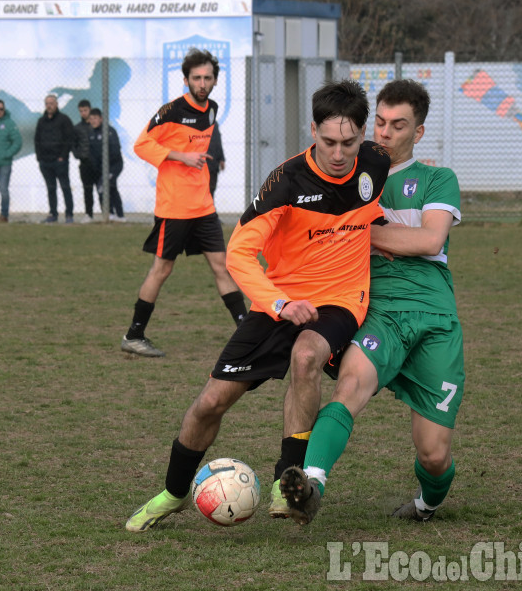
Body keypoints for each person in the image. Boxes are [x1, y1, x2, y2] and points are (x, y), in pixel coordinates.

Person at [124, 79, 391, 532]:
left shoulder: (376, 163)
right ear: (312, 130)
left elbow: (401, 171)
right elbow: (240, 254)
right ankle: (173, 493)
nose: (339, 153)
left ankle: (285, 484)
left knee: (306, 355)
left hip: (342, 300)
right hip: (279, 300)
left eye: (349, 142)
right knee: (211, 401)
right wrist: (280, 302)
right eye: (328, 141)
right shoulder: (287, 181)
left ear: (363, 135)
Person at [279, 79, 464, 526]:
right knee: (350, 387)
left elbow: (430, 238)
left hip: (436, 318)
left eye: (397, 125)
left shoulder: (437, 179)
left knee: (433, 453)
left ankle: (428, 503)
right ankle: (311, 483)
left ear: (416, 133)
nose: (384, 133)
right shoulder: (351, 178)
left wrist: (360, 231)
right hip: (378, 311)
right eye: (378, 122)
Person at [120, 48, 247, 359]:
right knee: (162, 270)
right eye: (196, 78)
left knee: (223, 267)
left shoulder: (213, 109)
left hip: (203, 206)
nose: (201, 83)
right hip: (174, 207)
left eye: (207, 78)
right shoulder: (172, 111)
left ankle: (247, 334)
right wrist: (181, 156)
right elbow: (141, 144)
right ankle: (134, 335)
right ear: (186, 79)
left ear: (215, 80)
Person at [34, 94, 75, 224]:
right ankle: (53, 213)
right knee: (51, 188)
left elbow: (69, 139)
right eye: (47, 103)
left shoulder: (64, 120)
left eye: (51, 103)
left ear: (56, 104)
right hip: (45, 161)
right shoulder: (41, 121)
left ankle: (69, 214)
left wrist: (63, 156)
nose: (49, 106)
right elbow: (37, 139)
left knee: (65, 187)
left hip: (60, 162)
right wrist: (40, 157)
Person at [87, 108, 125, 222]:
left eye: (95, 118)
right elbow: (92, 153)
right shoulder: (91, 133)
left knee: (105, 186)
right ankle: (114, 214)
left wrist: (106, 164)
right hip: (102, 168)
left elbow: (115, 151)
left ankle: (117, 214)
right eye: (91, 119)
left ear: (101, 119)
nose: (93, 121)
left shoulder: (109, 131)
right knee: (109, 187)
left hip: (114, 165)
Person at [73, 99, 96, 223]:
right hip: (85, 163)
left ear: (90, 109)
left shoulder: (96, 125)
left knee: (102, 188)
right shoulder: (77, 128)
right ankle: (88, 214)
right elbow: (74, 144)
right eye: (81, 111)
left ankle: (107, 213)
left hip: (98, 163)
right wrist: (79, 155)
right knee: (87, 189)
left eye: (85, 110)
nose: (83, 113)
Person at [207, 124, 225, 197]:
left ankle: (210, 207)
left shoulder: (214, 124)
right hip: (200, 164)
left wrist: (221, 159)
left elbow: (218, 141)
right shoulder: (197, 122)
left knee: (211, 189)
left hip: (213, 164)